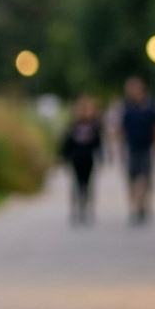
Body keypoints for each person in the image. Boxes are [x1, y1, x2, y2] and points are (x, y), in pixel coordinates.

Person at [120, 76, 155, 224]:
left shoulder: (150, 107)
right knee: (132, 178)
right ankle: (136, 205)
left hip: (146, 147)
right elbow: (122, 130)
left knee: (144, 177)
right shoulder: (128, 108)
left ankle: (140, 205)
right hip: (132, 147)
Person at [61, 95, 102, 224]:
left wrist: (101, 157)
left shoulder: (94, 126)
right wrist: (64, 158)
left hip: (88, 159)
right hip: (76, 159)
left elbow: (98, 143)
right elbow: (66, 143)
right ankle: (76, 208)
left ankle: (86, 208)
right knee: (76, 185)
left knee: (87, 185)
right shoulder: (73, 126)